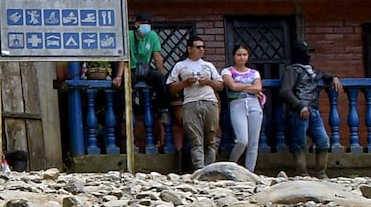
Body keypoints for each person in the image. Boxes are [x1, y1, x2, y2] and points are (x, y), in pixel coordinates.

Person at [279, 39, 342, 179]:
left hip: (314, 110)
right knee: (299, 143)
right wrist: (300, 105)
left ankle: (320, 172)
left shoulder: (311, 70)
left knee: (323, 140)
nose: (308, 55)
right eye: (306, 52)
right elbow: (285, 91)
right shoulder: (292, 70)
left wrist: (334, 78)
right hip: (299, 111)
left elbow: (322, 75)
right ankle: (302, 172)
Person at [167, 36, 222, 171]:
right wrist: (185, 82)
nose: (201, 49)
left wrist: (208, 82)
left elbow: (220, 85)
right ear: (189, 48)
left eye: (203, 47)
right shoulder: (180, 65)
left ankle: (210, 169)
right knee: (195, 140)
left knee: (211, 138)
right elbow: (171, 87)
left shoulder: (208, 65)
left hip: (209, 101)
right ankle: (199, 169)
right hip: (190, 103)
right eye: (198, 47)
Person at [112, 13, 171, 134]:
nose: (145, 26)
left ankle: (163, 110)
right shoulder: (128, 35)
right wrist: (119, 76)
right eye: (143, 23)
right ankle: (126, 110)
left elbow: (157, 57)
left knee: (160, 79)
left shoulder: (152, 36)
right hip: (131, 69)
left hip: (145, 69)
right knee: (126, 82)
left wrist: (162, 74)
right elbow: (123, 57)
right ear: (136, 24)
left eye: (148, 24)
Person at [221, 44, 264, 173]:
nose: (242, 57)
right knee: (242, 140)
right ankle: (231, 165)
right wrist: (249, 86)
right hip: (237, 103)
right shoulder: (227, 71)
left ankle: (250, 171)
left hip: (254, 103)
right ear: (234, 56)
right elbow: (232, 86)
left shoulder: (254, 72)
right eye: (239, 55)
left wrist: (241, 86)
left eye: (244, 55)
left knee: (253, 142)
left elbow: (258, 88)